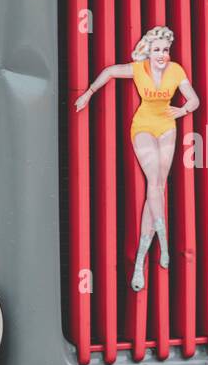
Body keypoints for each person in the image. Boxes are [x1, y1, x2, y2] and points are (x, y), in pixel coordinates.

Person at [75, 25, 199, 291]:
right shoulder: (138, 69)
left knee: (156, 189)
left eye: (165, 50)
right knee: (154, 183)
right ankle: (164, 245)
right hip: (142, 126)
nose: (162, 54)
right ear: (149, 51)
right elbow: (109, 72)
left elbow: (194, 99)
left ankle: (142, 259)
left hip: (167, 126)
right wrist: (88, 93)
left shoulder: (176, 70)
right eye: (157, 49)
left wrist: (182, 111)